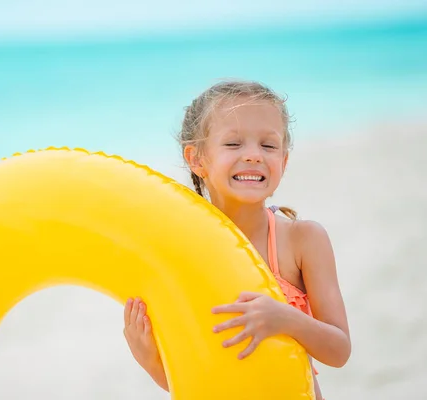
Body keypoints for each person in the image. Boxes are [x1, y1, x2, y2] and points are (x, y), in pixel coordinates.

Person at [123, 80, 351, 399]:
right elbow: (196, 377)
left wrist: (286, 319)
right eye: (233, 144)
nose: (254, 156)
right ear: (197, 159)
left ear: (283, 161)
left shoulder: (302, 239)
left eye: (268, 146)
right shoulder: (185, 251)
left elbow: (339, 350)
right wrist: (150, 360)